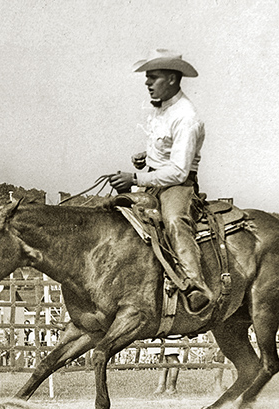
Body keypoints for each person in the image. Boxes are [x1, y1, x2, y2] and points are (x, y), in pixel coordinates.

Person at [108, 49, 212, 313]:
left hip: (177, 186)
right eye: (147, 77)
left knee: (175, 220)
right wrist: (148, 158)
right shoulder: (162, 109)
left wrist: (135, 177)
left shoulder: (186, 116)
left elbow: (178, 171)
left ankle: (194, 285)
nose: (147, 83)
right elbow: (167, 149)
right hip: (154, 181)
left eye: (153, 77)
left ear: (172, 80)